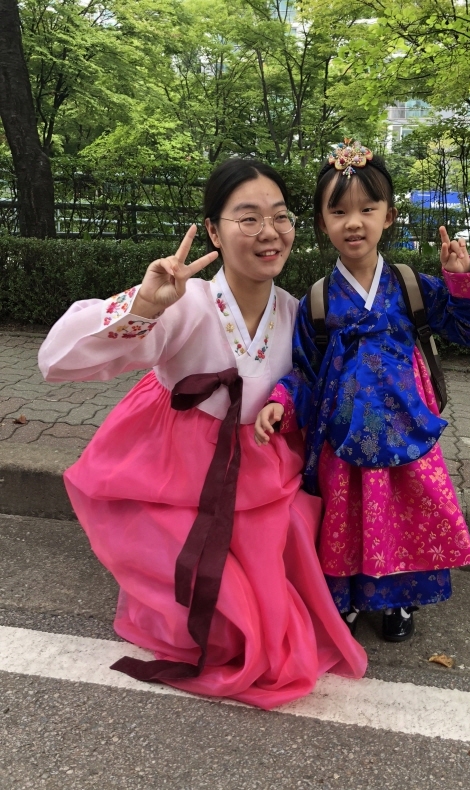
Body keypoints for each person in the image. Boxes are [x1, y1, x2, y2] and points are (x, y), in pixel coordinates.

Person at [38, 158, 367, 710]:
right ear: (213, 230)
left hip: (258, 467)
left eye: (280, 217)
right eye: (248, 218)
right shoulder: (184, 300)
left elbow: (317, 389)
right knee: (222, 623)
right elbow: (56, 360)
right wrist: (144, 306)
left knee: (268, 613)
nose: (269, 232)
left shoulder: (297, 313)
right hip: (175, 466)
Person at [255, 141, 470, 642]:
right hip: (342, 439)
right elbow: (304, 373)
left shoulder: (410, 286)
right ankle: (343, 600)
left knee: (405, 517)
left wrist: (459, 279)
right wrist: (279, 402)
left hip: (407, 432)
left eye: (367, 209)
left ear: (389, 216)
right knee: (347, 519)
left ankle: (399, 601)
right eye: (338, 211)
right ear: (322, 223)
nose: (354, 222)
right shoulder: (317, 301)